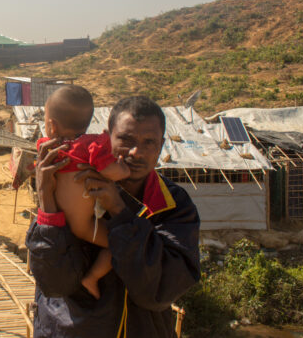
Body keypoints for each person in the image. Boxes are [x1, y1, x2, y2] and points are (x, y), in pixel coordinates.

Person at [27, 96, 200, 338]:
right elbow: (54, 283)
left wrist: (119, 210)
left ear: (160, 146)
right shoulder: (72, 190)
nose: (136, 152)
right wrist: (47, 201)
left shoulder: (173, 204)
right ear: (107, 137)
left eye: (148, 142)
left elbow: (160, 290)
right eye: (126, 139)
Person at [35, 85, 130, 299]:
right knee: (120, 243)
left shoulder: (47, 149)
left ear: (51, 125)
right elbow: (113, 172)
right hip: (83, 227)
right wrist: (123, 167)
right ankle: (92, 277)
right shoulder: (89, 147)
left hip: (55, 220)